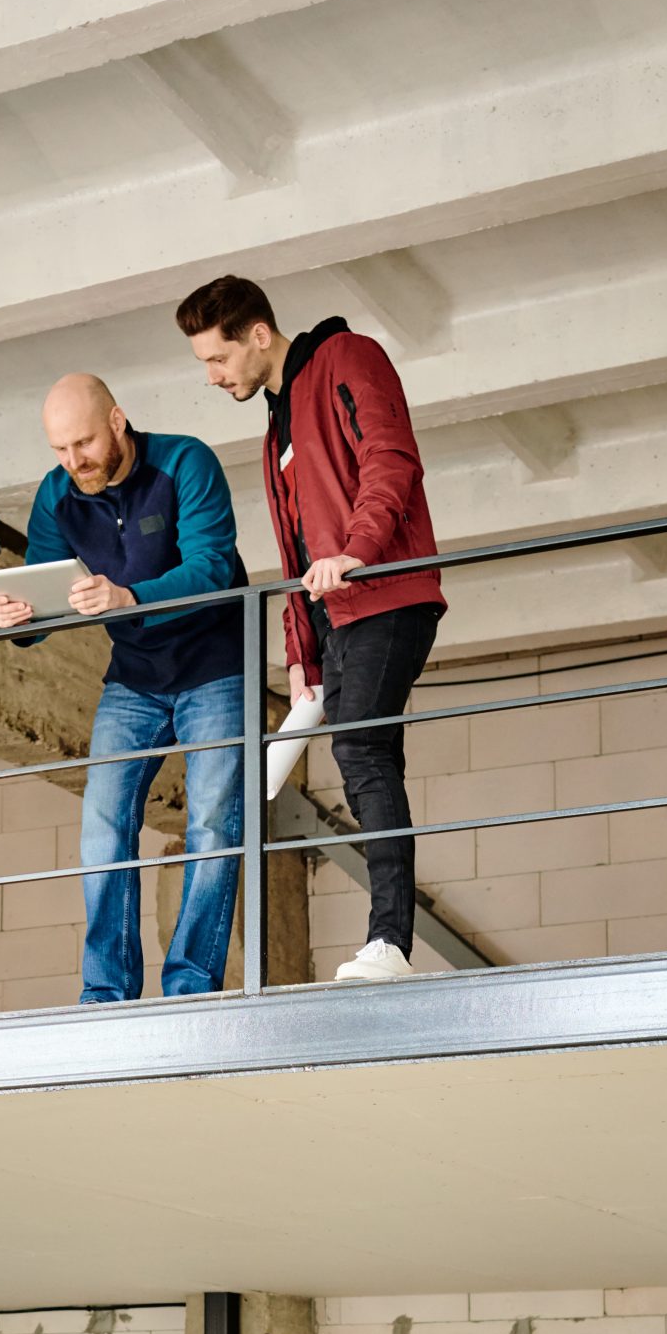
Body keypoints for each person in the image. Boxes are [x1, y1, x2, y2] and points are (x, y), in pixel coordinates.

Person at [175, 275, 445, 984]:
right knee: (364, 752)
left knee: (360, 750)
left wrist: (357, 551)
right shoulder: (277, 419)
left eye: (216, 359)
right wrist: (301, 654)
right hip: (334, 614)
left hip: (384, 592)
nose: (211, 376)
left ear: (257, 335)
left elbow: (390, 459)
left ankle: (389, 943)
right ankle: (388, 942)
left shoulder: (348, 358)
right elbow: (296, 546)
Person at [0, 374, 245, 1005]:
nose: (74, 462)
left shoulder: (186, 462)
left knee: (213, 823)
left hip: (216, 665)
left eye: (83, 443)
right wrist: (21, 619)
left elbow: (214, 565)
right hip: (133, 676)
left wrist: (129, 597)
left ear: (118, 422)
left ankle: (190, 985)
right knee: (103, 826)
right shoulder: (58, 494)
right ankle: (106, 991)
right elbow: (49, 588)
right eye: (59, 450)